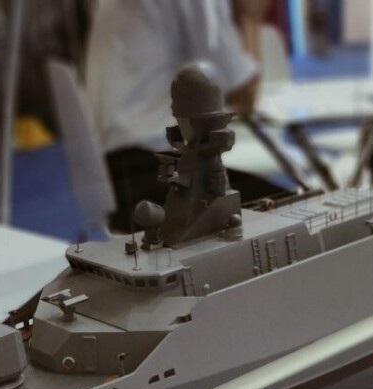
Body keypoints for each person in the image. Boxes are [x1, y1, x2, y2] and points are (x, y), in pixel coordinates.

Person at [85, 0, 281, 231]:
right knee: (287, 209)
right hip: (153, 170)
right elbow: (243, 95)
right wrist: (250, 18)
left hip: (107, 171)